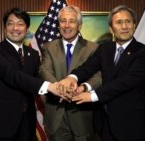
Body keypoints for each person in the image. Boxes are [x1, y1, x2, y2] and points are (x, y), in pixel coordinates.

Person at [58, 5, 145, 141]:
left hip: (132, 125)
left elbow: (126, 82)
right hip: (105, 124)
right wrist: (71, 78)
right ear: (111, 28)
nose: (124, 26)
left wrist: (92, 96)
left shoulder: (144, 52)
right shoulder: (104, 49)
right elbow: (87, 68)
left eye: (128, 22)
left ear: (134, 25)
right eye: (119, 23)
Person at [0, 7, 61, 141]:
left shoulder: (33, 54)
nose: (15, 28)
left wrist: (62, 91)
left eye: (20, 24)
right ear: (5, 27)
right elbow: (13, 75)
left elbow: (37, 81)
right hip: (2, 122)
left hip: (28, 123)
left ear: (27, 29)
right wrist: (50, 86)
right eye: (10, 23)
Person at [39, 5, 101, 141]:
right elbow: (44, 70)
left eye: (72, 21)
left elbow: (98, 76)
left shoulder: (93, 48)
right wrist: (61, 89)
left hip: (84, 116)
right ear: (58, 25)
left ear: (79, 26)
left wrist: (82, 87)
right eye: (63, 21)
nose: (67, 25)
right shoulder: (48, 47)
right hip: (56, 116)